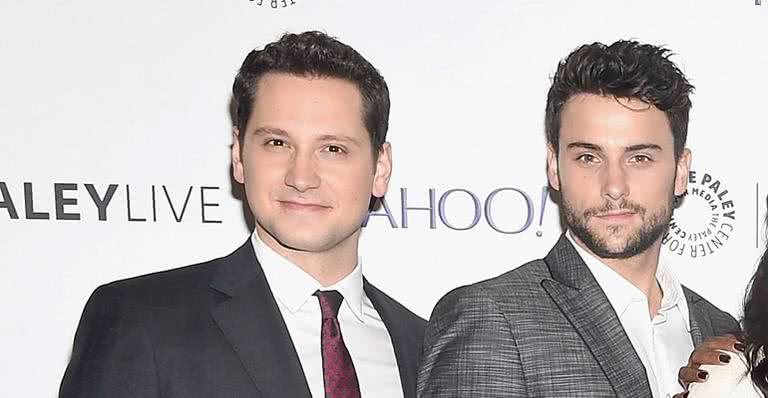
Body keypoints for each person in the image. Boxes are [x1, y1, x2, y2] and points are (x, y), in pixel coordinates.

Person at [59, 31, 425, 398]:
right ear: (239, 156)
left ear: (380, 168)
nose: (301, 177)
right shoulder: (140, 321)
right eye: (277, 143)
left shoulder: (425, 348)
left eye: (332, 148)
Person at [417, 40, 739, 398]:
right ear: (554, 168)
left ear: (681, 171)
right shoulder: (492, 318)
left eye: (640, 158)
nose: (614, 186)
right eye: (588, 157)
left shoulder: (722, 330)